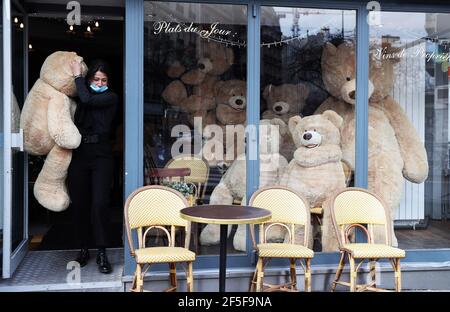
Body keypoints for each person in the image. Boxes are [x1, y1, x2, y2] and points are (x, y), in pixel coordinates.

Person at [69, 59, 118, 274]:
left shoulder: (110, 97)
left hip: (102, 155)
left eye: (103, 79)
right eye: (96, 79)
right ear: (90, 80)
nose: (99, 82)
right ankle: (83, 249)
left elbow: (88, 98)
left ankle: (102, 252)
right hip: (80, 154)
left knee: (99, 204)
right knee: (79, 204)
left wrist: (77, 76)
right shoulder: (79, 99)